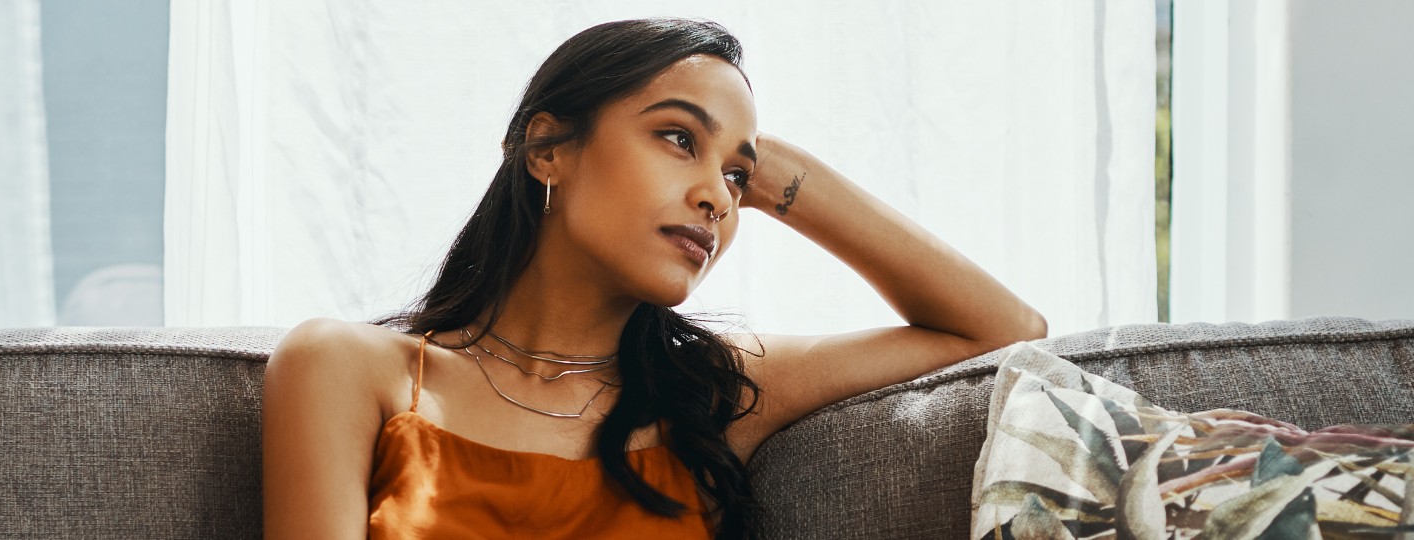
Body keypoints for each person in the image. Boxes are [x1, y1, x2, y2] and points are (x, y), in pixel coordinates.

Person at [261, 18, 1046, 540]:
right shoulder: (348, 369)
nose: (717, 197)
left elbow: (999, 327)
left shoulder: (709, 390)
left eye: (736, 179)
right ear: (548, 151)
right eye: (678, 137)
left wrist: (779, 174)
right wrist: (732, 155)